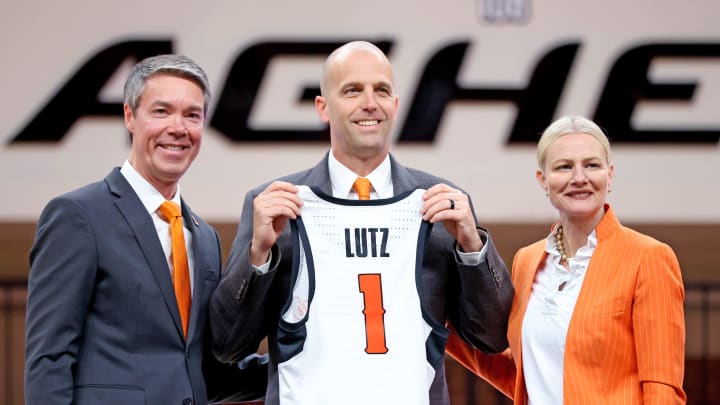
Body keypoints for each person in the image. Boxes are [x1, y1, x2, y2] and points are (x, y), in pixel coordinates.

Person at [209, 40, 514, 405]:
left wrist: (473, 248)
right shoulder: (275, 207)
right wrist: (257, 256)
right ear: (323, 107)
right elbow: (228, 346)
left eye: (381, 90)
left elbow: (493, 338)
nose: (370, 103)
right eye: (352, 90)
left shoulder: (442, 204)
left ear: (395, 105)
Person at [25, 54, 264, 405]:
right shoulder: (78, 216)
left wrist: (304, 364)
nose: (178, 128)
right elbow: (48, 359)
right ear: (129, 117)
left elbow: (200, 372)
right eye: (161, 111)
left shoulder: (204, 238)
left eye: (192, 115)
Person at [446, 115, 686, 404]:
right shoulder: (528, 260)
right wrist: (439, 319)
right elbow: (525, 377)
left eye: (592, 165)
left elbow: (662, 389)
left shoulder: (648, 257)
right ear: (543, 180)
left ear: (609, 175)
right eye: (564, 167)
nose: (579, 178)